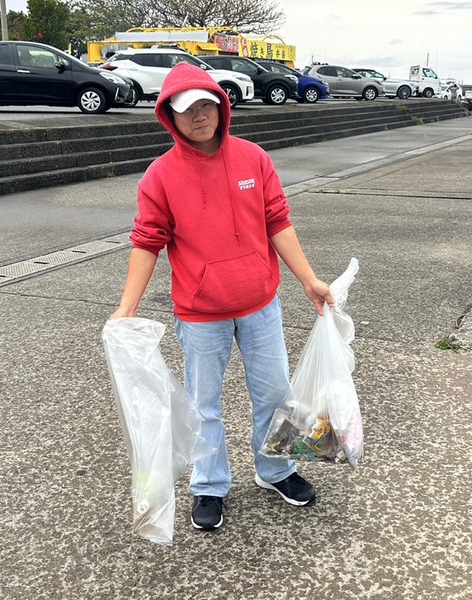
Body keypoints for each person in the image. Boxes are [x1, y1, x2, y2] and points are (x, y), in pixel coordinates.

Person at [108, 62, 334, 532]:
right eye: (187, 108)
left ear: (222, 106)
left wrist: (308, 279)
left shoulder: (254, 159)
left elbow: (278, 221)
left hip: (260, 304)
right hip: (200, 313)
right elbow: (147, 241)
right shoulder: (160, 175)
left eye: (207, 104)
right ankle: (209, 487)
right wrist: (127, 308)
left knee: (276, 393)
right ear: (169, 114)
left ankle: (277, 470)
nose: (199, 115)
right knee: (202, 404)